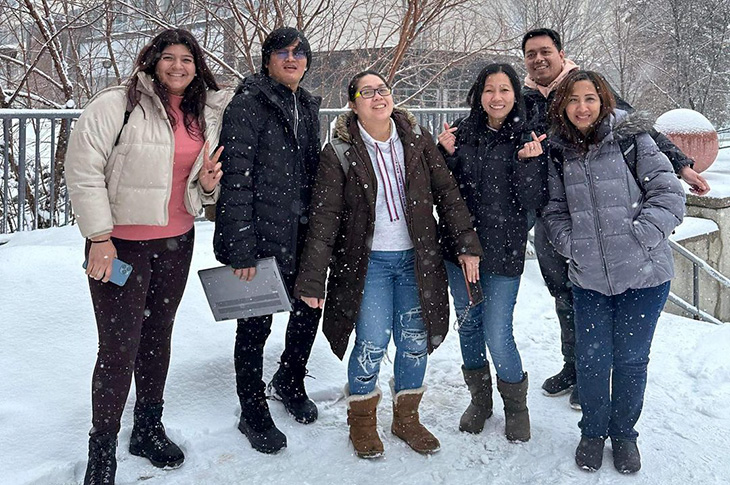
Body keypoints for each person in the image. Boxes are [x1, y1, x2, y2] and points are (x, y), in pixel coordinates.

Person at [65, 28, 231, 485]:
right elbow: (83, 170)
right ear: (153, 61)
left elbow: (195, 185)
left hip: (176, 243)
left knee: (158, 337)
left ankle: (147, 428)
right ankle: (102, 447)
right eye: (169, 58)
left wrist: (209, 185)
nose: (178, 67)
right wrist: (99, 238)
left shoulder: (201, 113)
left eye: (187, 60)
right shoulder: (117, 104)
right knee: (119, 347)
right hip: (118, 247)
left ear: (197, 67)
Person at [293, 70, 482, 458]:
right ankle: (361, 421)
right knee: (372, 342)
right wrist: (313, 281)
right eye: (368, 92)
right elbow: (324, 219)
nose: (378, 97)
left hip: (417, 261)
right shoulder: (340, 152)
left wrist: (466, 242)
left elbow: (447, 193)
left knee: (414, 340)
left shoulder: (416, 141)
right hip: (368, 264)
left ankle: (406, 419)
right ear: (353, 103)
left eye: (383, 90)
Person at [520, 28, 708, 408]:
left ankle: (598, 371)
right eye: (531, 54)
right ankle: (574, 366)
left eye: (545, 52)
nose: (539, 59)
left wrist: (682, 165)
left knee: (592, 295)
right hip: (555, 213)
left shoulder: (585, 87)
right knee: (563, 294)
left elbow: (639, 128)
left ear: (560, 52)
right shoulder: (523, 99)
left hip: (601, 216)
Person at [543, 70, 685, 473]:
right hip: (588, 278)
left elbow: (669, 194)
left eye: (590, 98)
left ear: (603, 101)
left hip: (645, 276)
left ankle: (624, 434)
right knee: (590, 359)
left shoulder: (631, 139)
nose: (581, 107)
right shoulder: (559, 150)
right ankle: (592, 431)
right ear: (562, 106)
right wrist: (574, 246)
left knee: (630, 360)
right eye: (573, 100)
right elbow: (554, 211)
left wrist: (640, 238)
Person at [213, 27, 322, 455]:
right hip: (260, 237)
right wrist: (239, 247)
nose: (292, 59)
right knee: (255, 325)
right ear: (267, 59)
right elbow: (234, 180)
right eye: (283, 52)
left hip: (302, 233)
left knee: (307, 309)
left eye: (299, 52)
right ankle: (251, 407)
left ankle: (290, 380)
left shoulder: (308, 104)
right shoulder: (248, 104)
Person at [436, 63, 546, 442]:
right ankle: (480, 402)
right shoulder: (460, 133)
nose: (496, 97)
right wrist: (443, 155)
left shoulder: (527, 138)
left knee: (498, 333)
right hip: (457, 251)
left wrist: (529, 165)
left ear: (515, 94)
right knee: (469, 327)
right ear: (478, 95)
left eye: (504, 89)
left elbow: (533, 203)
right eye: (488, 90)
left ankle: (516, 407)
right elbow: (444, 195)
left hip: (503, 254)